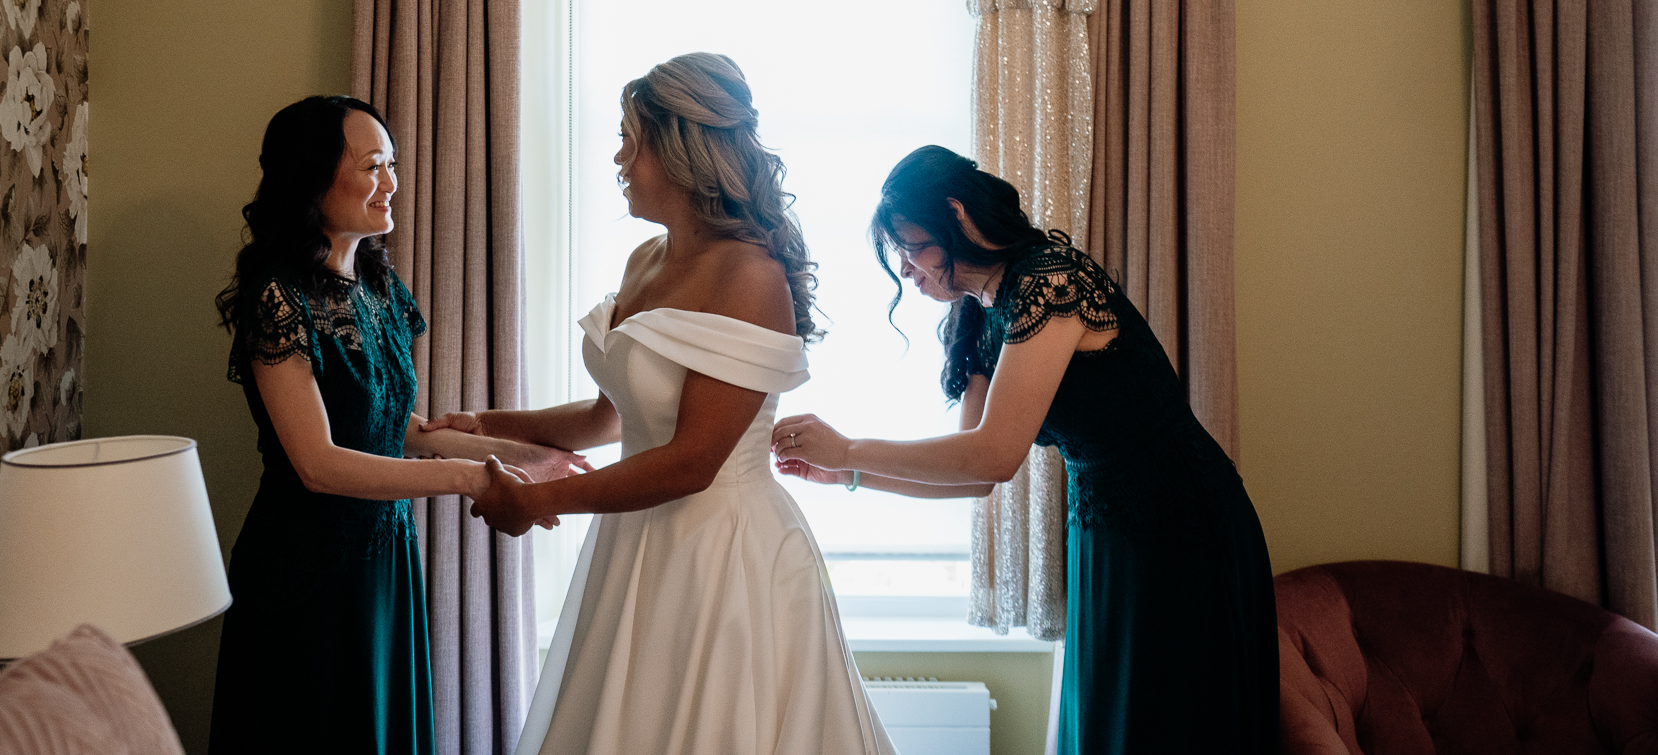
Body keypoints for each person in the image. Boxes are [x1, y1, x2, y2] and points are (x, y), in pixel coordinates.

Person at [424, 54, 895, 755]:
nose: (617, 155)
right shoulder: (648, 256)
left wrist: (538, 502)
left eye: (628, 138)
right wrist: (487, 424)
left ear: (678, 151)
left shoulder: (749, 276)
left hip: (720, 551)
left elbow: (691, 463)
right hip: (637, 536)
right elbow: (610, 415)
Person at [774, 145, 1279, 755]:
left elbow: (994, 455)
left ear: (956, 218)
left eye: (911, 248)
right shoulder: (982, 314)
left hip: (1184, 526)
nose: (906, 271)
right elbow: (975, 476)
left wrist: (848, 446)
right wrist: (846, 473)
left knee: (1172, 722)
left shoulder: (1051, 281)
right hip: (1108, 531)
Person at [209, 95, 582, 754]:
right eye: (373, 164)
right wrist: (472, 478)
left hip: (384, 561)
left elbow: (396, 427)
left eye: (393, 164)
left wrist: (520, 458)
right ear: (313, 175)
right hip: (306, 571)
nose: (392, 182)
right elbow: (318, 463)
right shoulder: (277, 296)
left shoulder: (380, 288)